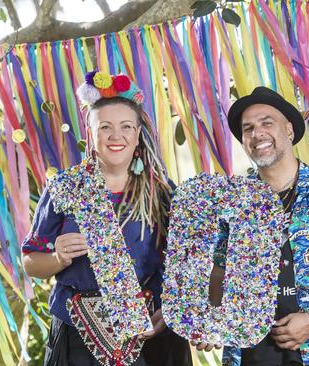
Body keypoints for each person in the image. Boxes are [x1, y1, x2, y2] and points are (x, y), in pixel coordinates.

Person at [196, 87, 309, 366]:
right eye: (248, 129)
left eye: (267, 122)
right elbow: (220, 272)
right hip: (249, 356)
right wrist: (216, 316)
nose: (257, 134)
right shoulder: (234, 203)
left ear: (290, 131)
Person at [22, 72, 191, 366]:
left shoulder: (162, 192)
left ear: (138, 134)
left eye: (126, 126)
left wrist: (171, 308)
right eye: (105, 127)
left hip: (150, 333)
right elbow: (30, 263)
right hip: (77, 334)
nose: (116, 136)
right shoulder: (66, 186)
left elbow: (185, 262)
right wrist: (58, 258)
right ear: (91, 134)